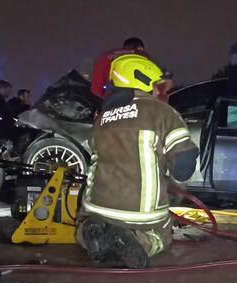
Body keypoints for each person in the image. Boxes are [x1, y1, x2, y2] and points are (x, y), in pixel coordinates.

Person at [77, 54, 199, 269]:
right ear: (143, 80)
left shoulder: (101, 118)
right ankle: (140, 241)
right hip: (141, 216)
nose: (160, 91)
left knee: (87, 223)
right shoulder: (162, 112)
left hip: (94, 209)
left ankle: (87, 235)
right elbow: (184, 164)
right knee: (163, 236)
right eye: (157, 86)